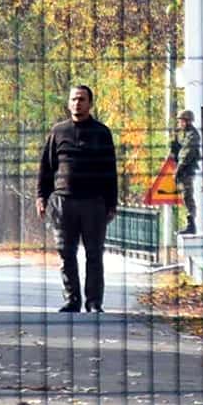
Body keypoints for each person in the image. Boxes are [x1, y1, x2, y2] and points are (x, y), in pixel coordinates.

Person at [36, 85, 118, 314]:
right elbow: (46, 167)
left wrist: (112, 203)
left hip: (94, 203)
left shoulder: (102, 132)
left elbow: (110, 170)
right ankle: (72, 300)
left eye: (82, 99)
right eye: (73, 99)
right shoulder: (58, 131)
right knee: (66, 253)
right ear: (68, 103)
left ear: (90, 103)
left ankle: (94, 303)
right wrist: (41, 197)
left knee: (94, 254)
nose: (77, 103)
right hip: (63, 203)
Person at [170, 109, 201, 235]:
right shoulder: (184, 134)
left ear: (187, 121)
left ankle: (191, 224)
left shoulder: (192, 135)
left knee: (188, 196)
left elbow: (186, 155)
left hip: (186, 170)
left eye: (182, 120)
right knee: (184, 196)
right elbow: (179, 150)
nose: (180, 123)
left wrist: (178, 170)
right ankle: (189, 223)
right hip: (183, 170)